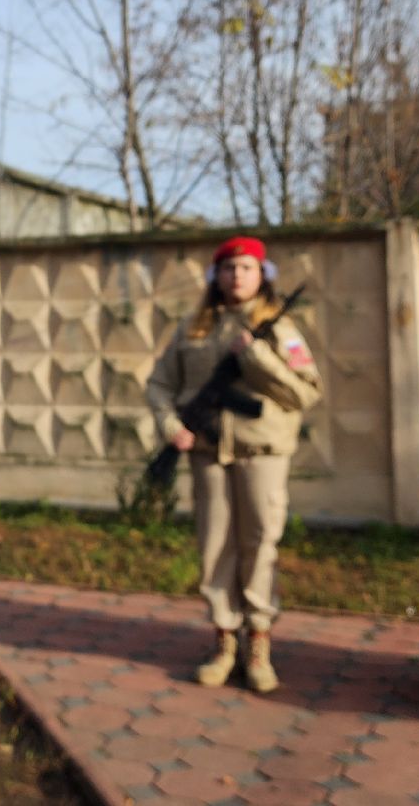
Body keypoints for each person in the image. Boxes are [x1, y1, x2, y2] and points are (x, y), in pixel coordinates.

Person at [145, 236, 323, 693]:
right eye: (228, 268)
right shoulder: (194, 327)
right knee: (215, 547)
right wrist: (170, 426)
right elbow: (160, 383)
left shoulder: (280, 329)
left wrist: (256, 357)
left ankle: (258, 643)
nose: (237, 276)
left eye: (246, 267)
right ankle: (225, 642)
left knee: (260, 543)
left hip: (261, 452)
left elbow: (306, 391)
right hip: (207, 452)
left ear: (262, 274)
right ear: (215, 277)